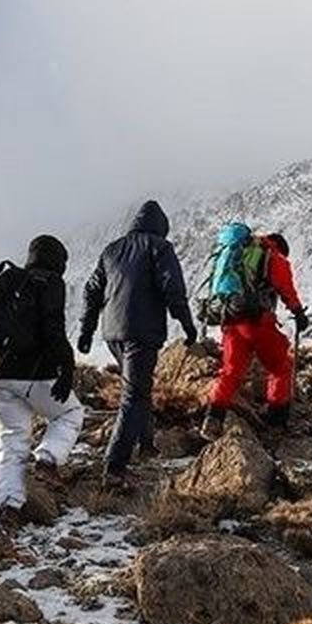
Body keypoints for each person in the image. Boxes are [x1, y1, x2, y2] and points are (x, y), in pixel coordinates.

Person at [78, 200, 196, 488]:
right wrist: (187, 323)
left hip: (112, 333)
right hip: (141, 332)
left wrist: (86, 330)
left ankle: (146, 444)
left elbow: (92, 290)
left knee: (138, 388)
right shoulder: (159, 247)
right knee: (133, 395)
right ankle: (114, 467)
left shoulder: (112, 249)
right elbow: (173, 286)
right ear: (161, 227)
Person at [0, 235, 84, 529]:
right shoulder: (48, 283)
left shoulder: (4, 284)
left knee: (10, 444)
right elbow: (53, 329)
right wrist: (66, 368)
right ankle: (47, 460)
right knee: (70, 413)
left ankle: (11, 509)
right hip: (34, 372)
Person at [201, 231, 307, 440]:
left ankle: (213, 418)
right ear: (280, 247)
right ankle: (276, 419)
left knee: (230, 372)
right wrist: (298, 312)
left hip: (231, 322)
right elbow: (286, 288)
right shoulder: (273, 257)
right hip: (258, 323)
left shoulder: (238, 255)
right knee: (281, 367)